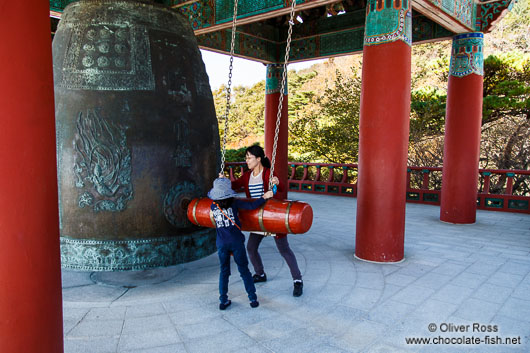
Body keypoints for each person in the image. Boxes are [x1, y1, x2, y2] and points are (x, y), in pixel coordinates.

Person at [229, 145, 304, 297]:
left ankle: (297, 280)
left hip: (272, 216)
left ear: (258, 159)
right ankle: (260, 273)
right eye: (246, 158)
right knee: (251, 248)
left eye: (249, 158)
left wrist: (277, 181)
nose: (247, 161)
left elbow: (281, 188)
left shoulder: (268, 173)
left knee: (284, 250)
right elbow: (234, 186)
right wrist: (222, 181)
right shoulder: (247, 175)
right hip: (258, 219)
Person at [208, 177, 274, 310]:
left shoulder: (213, 206)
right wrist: (264, 197)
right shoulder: (234, 203)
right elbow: (252, 205)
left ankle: (223, 300)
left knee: (224, 272)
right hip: (236, 242)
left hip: (221, 244)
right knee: (244, 271)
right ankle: (253, 299)